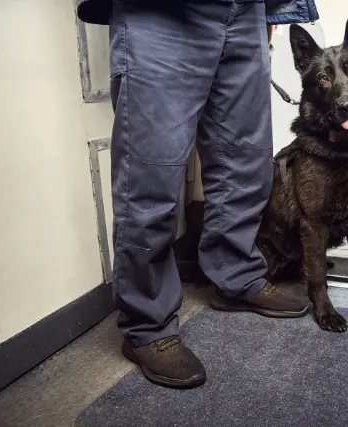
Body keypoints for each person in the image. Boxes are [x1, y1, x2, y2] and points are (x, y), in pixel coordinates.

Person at [76, 0, 319, 389]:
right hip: (160, 13)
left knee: (246, 165)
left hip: (245, 12)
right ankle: (147, 326)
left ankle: (237, 277)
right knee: (149, 178)